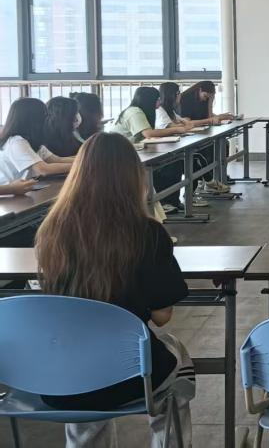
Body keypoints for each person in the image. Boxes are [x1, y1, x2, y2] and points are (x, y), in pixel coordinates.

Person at [35, 132, 194, 448]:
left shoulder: (50, 232)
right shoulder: (147, 234)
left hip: (59, 375)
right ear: (133, 177)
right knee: (178, 363)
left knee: (83, 370)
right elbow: (162, 316)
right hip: (128, 375)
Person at [110, 87, 187, 211]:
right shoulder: (134, 112)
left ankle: (169, 201)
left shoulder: (142, 111)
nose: (159, 102)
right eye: (157, 99)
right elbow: (148, 134)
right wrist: (177, 129)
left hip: (135, 150)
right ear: (149, 99)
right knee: (169, 165)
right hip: (120, 155)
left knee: (173, 161)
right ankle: (164, 202)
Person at [0, 98, 75, 185]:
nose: (47, 118)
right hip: (10, 191)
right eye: (45, 115)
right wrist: (81, 165)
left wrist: (84, 160)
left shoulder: (31, 140)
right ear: (33, 119)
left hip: (25, 188)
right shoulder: (16, 142)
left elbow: (57, 160)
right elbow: (43, 170)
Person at [179, 81, 234, 193]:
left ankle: (217, 177)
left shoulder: (205, 99)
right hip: (190, 134)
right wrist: (210, 120)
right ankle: (208, 180)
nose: (206, 99)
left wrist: (212, 105)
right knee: (209, 147)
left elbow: (208, 116)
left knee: (223, 143)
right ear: (199, 90)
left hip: (203, 131)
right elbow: (188, 123)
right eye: (205, 96)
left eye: (209, 97)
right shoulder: (185, 99)